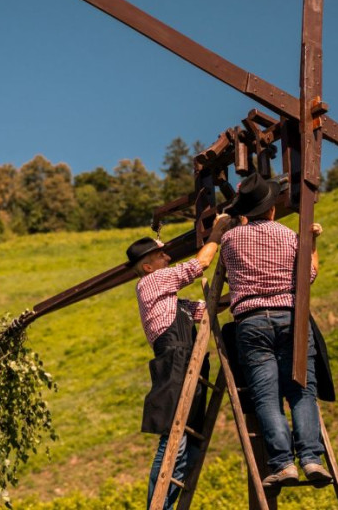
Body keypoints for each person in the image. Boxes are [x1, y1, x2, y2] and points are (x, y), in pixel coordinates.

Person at [220, 172, 332, 487]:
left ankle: (283, 464)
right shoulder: (288, 235)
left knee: (266, 397)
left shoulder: (230, 239)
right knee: (302, 390)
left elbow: (229, 271)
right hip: (291, 318)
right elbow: (308, 276)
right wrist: (313, 244)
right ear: (271, 209)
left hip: (251, 321)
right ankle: (311, 458)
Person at [127, 213, 230, 510]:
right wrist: (217, 234)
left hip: (186, 359)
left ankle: (167, 505)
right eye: (162, 256)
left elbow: (206, 309)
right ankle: (157, 507)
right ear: (148, 267)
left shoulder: (171, 300)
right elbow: (199, 265)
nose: (168, 258)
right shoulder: (153, 282)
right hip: (174, 358)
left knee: (191, 442)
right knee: (174, 437)